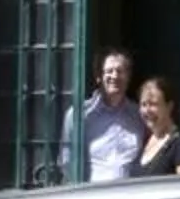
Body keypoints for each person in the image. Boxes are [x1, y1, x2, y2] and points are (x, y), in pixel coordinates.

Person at [60, 48, 144, 184]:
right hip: (94, 196)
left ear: (128, 77)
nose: (115, 76)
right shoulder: (79, 115)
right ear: (99, 76)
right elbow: (67, 161)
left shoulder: (138, 114)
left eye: (120, 71)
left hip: (131, 196)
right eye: (109, 71)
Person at [133, 76, 180, 175]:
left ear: (169, 106)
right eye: (143, 104)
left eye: (153, 104)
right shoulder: (145, 141)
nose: (147, 110)